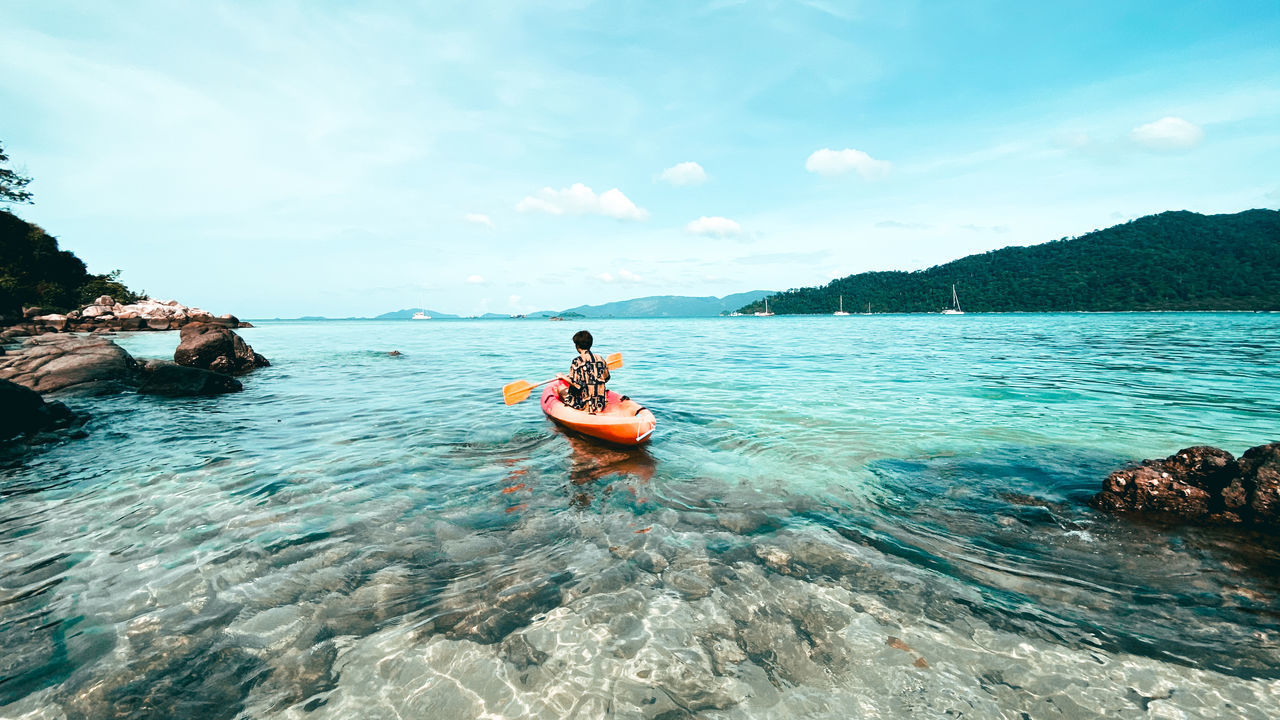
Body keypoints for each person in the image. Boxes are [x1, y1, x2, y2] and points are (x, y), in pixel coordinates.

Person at [557, 330, 611, 413]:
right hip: (600, 403)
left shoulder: (577, 361)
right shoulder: (600, 359)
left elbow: (577, 385)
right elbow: (607, 378)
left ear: (577, 346)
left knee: (560, 388)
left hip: (585, 404)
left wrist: (563, 377)